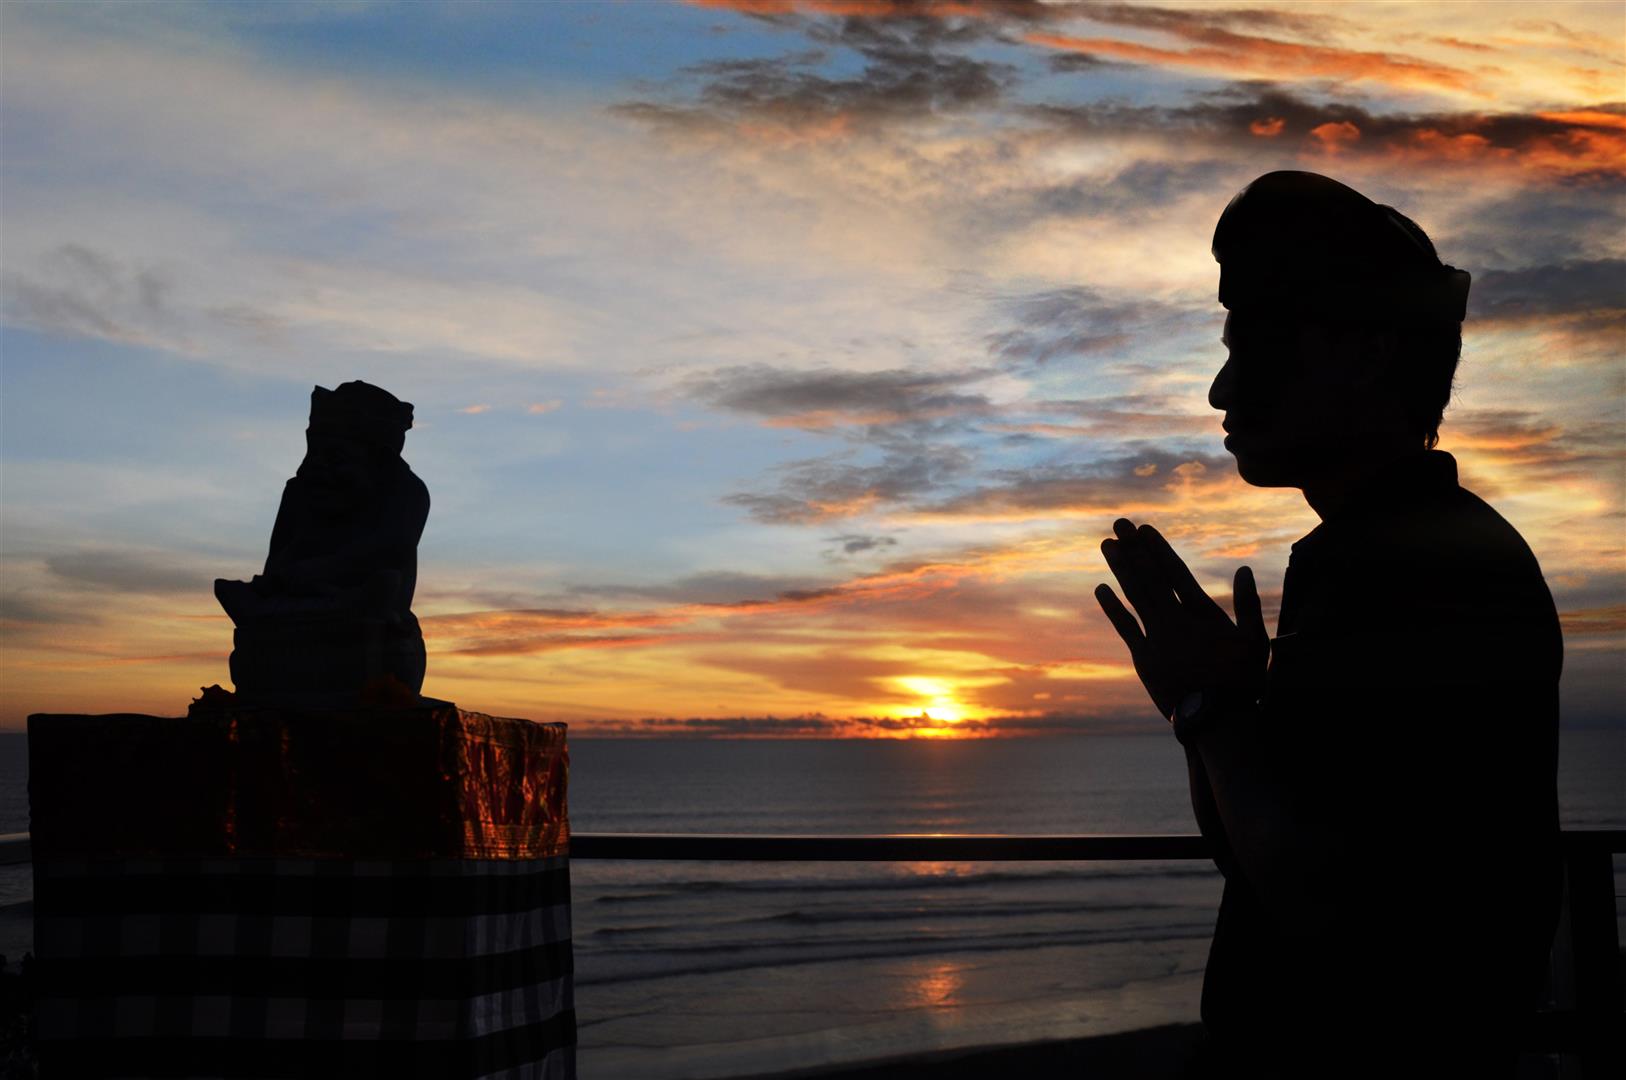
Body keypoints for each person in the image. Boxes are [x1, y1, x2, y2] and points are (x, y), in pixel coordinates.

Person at [1094, 171, 1561, 1077]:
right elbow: (1260, 851)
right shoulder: (1378, 551)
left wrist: (1214, 714)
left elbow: (1329, 902)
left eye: (1255, 345)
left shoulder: (1415, 564)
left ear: (1365, 352)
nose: (1221, 391)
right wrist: (1210, 710)